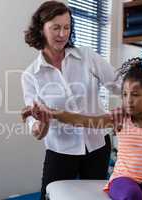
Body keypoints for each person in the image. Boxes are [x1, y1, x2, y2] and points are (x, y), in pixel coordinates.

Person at [23, 57, 142, 200]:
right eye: (124, 94)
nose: (129, 100)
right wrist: (52, 113)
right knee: (131, 194)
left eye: (136, 95)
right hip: (124, 178)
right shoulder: (120, 119)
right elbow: (82, 120)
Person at [21, 1, 120, 199]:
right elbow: (36, 131)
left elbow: (119, 85)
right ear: (41, 29)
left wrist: (132, 102)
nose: (62, 34)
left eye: (67, 27)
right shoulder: (31, 75)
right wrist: (42, 122)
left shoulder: (87, 57)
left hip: (97, 146)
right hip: (60, 150)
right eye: (56, 27)